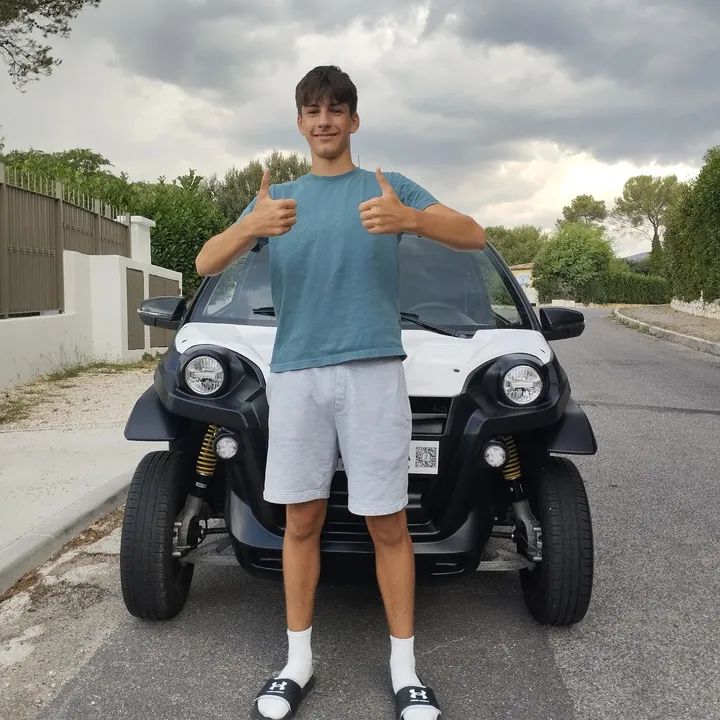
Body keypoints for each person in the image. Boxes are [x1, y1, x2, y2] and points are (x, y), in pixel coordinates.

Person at [196, 65, 486, 720]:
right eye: (312, 110)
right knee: (301, 521)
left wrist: (412, 220)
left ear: (354, 119)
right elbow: (207, 262)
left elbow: (474, 234)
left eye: (335, 109)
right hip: (298, 373)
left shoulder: (389, 187)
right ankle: (297, 663)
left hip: (374, 372)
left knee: (388, 522)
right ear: (300, 122)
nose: (324, 120)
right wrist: (250, 227)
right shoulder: (278, 199)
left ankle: (405, 671)